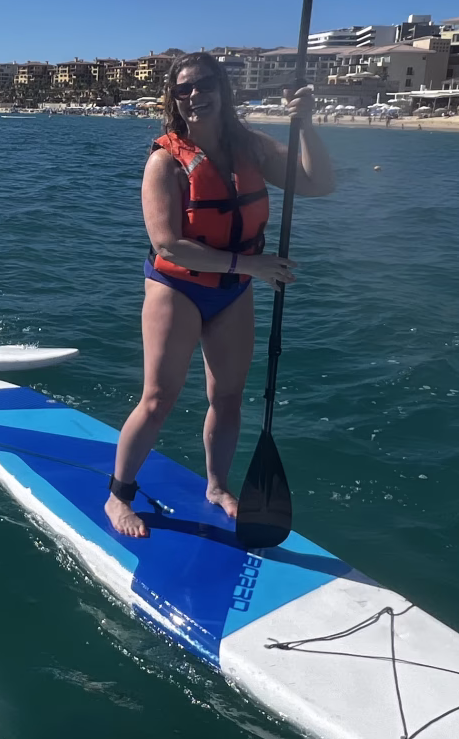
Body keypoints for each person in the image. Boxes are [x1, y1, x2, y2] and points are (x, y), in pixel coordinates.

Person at [104, 55, 334, 538]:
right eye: (183, 89)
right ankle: (118, 496)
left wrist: (307, 127)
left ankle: (216, 487)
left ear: (223, 89)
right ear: (173, 99)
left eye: (205, 84)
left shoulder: (252, 147)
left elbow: (319, 184)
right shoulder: (165, 161)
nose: (194, 95)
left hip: (231, 290)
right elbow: (168, 244)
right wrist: (252, 266)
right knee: (158, 398)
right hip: (178, 288)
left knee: (227, 397)